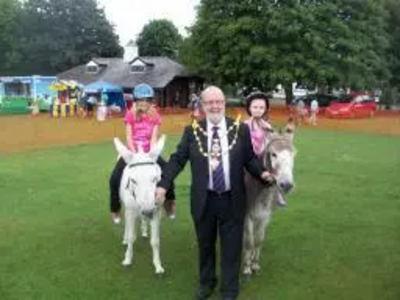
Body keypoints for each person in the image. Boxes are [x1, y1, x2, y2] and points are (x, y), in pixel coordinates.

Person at [155, 86, 273, 300]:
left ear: (224, 104)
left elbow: (250, 159)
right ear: (203, 105)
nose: (215, 105)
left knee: (232, 247)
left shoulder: (240, 130)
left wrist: (262, 174)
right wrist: (164, 184)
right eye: (210, 102)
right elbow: (178, 159)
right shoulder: (192, 131)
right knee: (206, 245)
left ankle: (229, 289)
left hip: (232, 198)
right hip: (204, 200)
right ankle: (206, 283)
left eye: (218, 101)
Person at [109, 83, 176, 224]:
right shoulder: (130, 115)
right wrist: (134, 155)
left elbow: (153, 138)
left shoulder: (155, 116)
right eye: (141, 100)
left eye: (147, 100)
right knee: (114, 178)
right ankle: (115, 209)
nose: (144, 103)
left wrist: (151, 154)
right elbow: (129, 137)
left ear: (151, 101)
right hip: (132, 152)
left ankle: (169, 203)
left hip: (149, 152)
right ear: (136, 101)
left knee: (168, 173)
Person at [244, 91, 287, 206]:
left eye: (261, 107)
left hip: (262, 154)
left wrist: (269, 130)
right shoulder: (245, 125)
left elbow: (271, 140)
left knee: (275, 168)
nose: (258, 110)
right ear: (249, 108)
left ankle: (277, 194)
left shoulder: (266, 125)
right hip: (248, 156)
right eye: (255, 107)